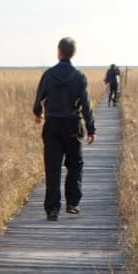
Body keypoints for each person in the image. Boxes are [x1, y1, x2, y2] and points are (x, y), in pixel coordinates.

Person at [32, 37, 96, 221]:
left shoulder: (48, 75)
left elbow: (38, 101)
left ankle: (52, 209)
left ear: (59, 52)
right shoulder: (79, 77)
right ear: (72, 53)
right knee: (75, 165)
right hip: (72, 125)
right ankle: (72, 203)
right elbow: (86, 104)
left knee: (52, 167)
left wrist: (39, 114)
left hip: (52, 125)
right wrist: (91, 129)